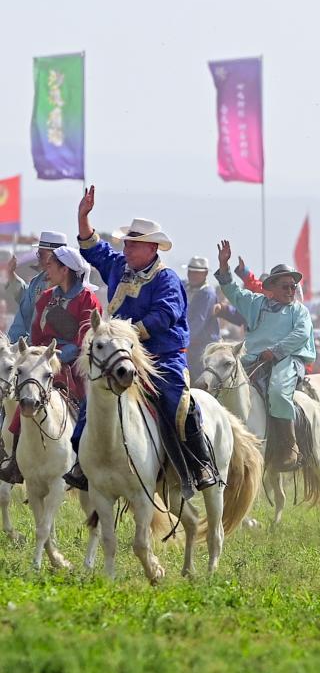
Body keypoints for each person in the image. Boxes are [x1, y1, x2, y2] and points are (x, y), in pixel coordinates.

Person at [67, 187, 218, 499]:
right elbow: (93, 249)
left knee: (177, 400)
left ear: (151, 248)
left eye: (133, 244)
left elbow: (164, 315)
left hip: (161, 356)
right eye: (126, 243)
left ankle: (199, 462)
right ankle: (82, 462)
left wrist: (126, 334)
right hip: (121, 355)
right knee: (92, 396)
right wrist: (83, 217)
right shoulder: (120, 266)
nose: (126, 249)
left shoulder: (167, 279)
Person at [0, 247, 102, 484]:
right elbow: (36, 333)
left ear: (64, 269)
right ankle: (15, 459)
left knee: (91, 405)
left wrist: (59, 355)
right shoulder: (46, 297)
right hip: (43, 361)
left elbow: (86, 337)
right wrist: (37, 356)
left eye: (51, 265)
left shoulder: (88, 298)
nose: (46, 268)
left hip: (76, 363)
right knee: (20, 399)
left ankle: (85, 462)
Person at [214, 241, 315, 473]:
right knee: (222, 384)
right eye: (285, 286)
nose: (291, 291)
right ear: (272, 287)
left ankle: (289, 446)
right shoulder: (256, 303)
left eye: (293, 286)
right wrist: (223, 265)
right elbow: (233, 291)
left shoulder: (300, 311)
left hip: (288, 359)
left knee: (278, 391)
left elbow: (301, 334)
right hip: (253, 359)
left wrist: (276, 351)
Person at [6, 231, 68, 341]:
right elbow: (24, 307)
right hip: (34, 348)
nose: (38, 257)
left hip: (61, 349)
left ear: (55, 256)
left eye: (41, 254)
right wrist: (11, 346)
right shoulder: (38, 281)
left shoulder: (72, 282)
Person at [184, 255, 220, 381]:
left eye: (197, 273)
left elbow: (198, 322)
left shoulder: (207, 293)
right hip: (189, 344)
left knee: (200, 382)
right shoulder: (185, 287)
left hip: (202, 348)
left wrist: (181, 340)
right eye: (191, 272)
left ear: (205, 274)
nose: (192, 275)